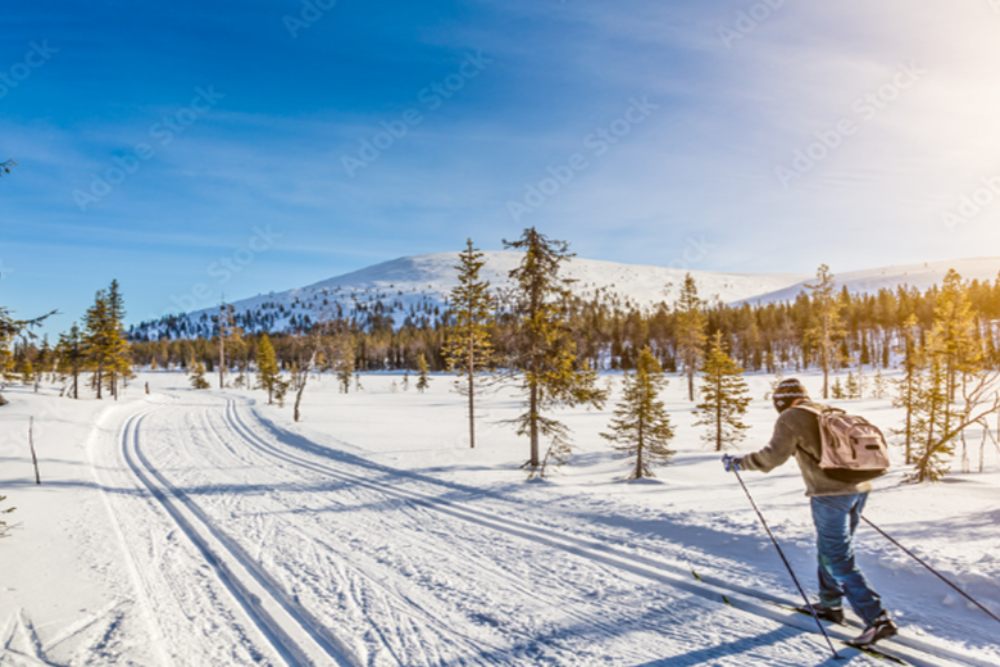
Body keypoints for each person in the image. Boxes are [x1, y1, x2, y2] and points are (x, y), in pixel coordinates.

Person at [722, 377, 898, 647]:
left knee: (837, 556)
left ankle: (877, 620)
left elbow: (773, 457)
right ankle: (831, 605)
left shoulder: (791, 417)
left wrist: (739, 463)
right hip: (859, 488)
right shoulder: (825, 410)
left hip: (830, 495)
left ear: (780, 402)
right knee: (829, 549)